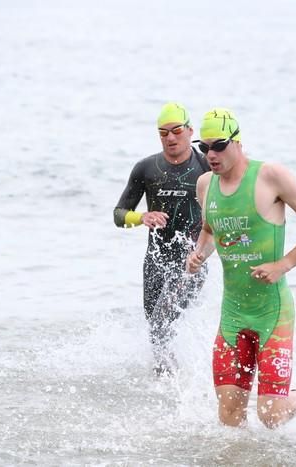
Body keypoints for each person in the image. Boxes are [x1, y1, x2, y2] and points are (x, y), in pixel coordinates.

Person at [186, 108, 296, 428]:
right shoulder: (204, 185)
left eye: (219, 145)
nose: (211, 154)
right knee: (229, 418)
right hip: (232, 314)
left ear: (238, 142)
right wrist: (199, 254)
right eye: (204, 147)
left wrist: (284, 264)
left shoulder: (271, 176)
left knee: (271, 416)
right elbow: (211, 230)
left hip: (272, 313)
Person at [114, 102, 210, 376]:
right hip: (156, 259)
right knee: (155, 331)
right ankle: (168, 383)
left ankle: (175, 380)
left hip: (193, 259)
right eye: (163, 132)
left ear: (190, 131)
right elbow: (119, 214)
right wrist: (141, 217)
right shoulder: (146, 168)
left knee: (160, 324)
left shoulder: (206, 165)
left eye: (176, 131)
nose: (170, 138)